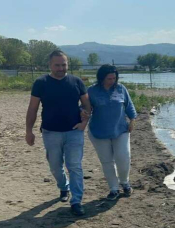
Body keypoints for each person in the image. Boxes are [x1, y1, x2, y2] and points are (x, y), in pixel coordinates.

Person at [25, 50, 91, 216]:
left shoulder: (76, 81)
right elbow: (33, 108)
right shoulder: (41, 82)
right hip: (50, 132)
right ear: (50, 65)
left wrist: (85, 122)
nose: (61, 68)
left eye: (64, 65)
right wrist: (29, 131)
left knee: (74, 165)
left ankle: (76, 201)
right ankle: (63, 187)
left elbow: (87, 105)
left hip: (74, 131)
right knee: (55, 165)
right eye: (57, 65)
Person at [85, 64, 137, 201]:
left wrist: (132, 120)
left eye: (114, 78)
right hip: (99, 132)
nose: (112, 81)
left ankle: (125, 183)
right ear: (101, 78)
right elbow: (85, 109)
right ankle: (114, 188)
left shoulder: (121, 89)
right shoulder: (91, 91)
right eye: (109, 78)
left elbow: (129, 105)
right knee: (107, 161)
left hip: (121, 130)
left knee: (123, 157)